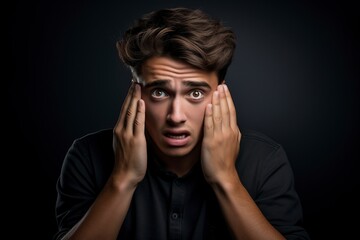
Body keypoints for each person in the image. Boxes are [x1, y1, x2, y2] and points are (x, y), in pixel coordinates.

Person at [54, 7, 310, 240]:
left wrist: (226, 180)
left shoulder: (264, 160)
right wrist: (123, 179)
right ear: (136, 93)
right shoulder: (87, 156)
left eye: (195, 93)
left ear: (221, 95)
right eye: (159, 92)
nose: (176, 116)